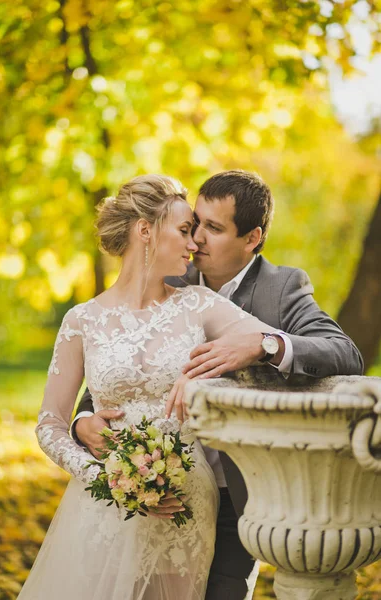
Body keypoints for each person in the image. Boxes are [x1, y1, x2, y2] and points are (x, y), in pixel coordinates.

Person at [74, 170, 363, 600]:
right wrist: (81, 421)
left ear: (252, 237)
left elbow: (345, 353)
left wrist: (263, 343)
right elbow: (117, 365)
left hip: (237, 493)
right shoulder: (169, 276)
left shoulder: (282, 287)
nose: (197, 240)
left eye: (214, 228)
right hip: (155, 489)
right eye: (194, 223)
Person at [18, 174, 278, 600]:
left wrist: (243, 358)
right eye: (182, 230)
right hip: (102, 506)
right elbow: (49, 425)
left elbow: (270, 344)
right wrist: (110, 479)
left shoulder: (201, 306)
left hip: (184, 510)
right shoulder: (81, 321)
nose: (194, 243)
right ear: (145, 230)